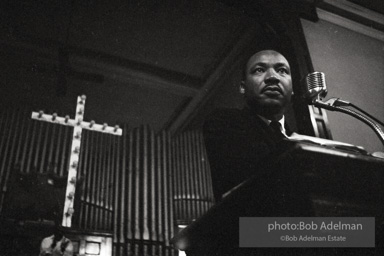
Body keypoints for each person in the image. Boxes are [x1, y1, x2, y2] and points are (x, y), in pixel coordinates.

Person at [203, 49, 294, 201]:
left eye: (282, 70)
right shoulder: (223, 122)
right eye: (259, 70)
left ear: (292, 89)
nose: (272, 77)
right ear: (243, 87)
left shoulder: (299, 139)